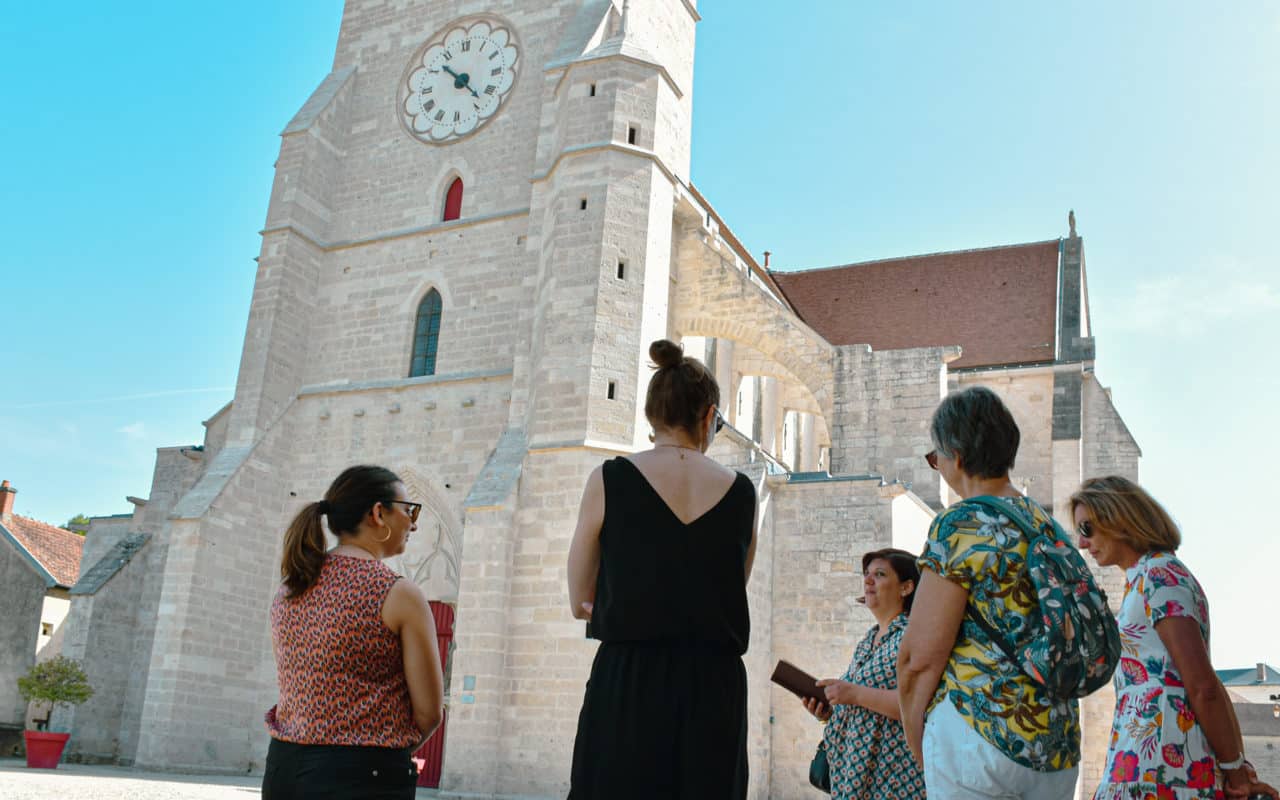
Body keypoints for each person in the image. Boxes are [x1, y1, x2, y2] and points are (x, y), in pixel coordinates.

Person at [566, 339, 758, 799]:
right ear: (709, 416)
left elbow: (579, 599)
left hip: (629, 678)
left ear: (651, 416)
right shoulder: (742, 493)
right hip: (714, 686)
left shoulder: (609, 478)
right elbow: (735, 584)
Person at [897, 386, 1080, 799]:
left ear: (957, 457)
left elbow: (917, 659)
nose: (938, 467)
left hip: (978, 738)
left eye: (936, 458)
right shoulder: (1050, 529)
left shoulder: (962, 523)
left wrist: (918, 741)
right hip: (1056, 746)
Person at [1071, 476, 1278, 800]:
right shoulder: (1144, 580)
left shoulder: (1159, 576)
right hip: (1145, 767)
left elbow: (1203, 686)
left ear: (1119, 519)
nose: (1083, 543)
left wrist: (1237, 771)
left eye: (1087, 529)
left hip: (1163, 772)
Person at [263, 465, 445, 800]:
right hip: (363, 779)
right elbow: (429, 713)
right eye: (408, 510)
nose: (414, 523)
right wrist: (382, 754)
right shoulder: (397, 593)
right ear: (378, 513)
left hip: (283, 771)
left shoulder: (289, 588)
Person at [802, 548, 926, 799]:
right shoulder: (868, 640)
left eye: (879, 574)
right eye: (867, 574)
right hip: (853, 779)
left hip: (892, 780)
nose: (868, 580)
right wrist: (829, 712)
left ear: (906, 587)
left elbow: (918, 706)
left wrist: (854, 694)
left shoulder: (913, 637)